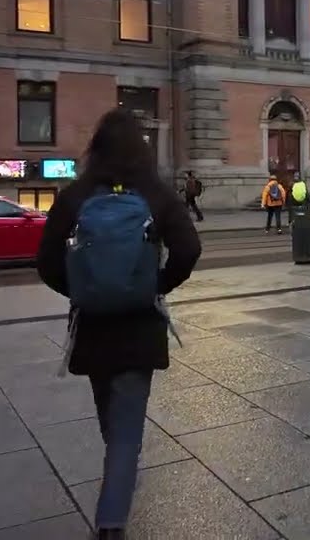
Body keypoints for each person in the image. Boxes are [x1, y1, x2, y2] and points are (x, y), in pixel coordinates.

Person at [36, 108, 201, 540]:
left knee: (110, 413)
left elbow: (46, 262)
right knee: (127, 428)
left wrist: (82, 290)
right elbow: (189, 249)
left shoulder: (76, 195)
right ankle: (111, 521)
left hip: (93, 326)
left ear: (97, 148)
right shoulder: (156, 193)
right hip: (139, 326)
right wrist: (156, 285)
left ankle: (118, 479)